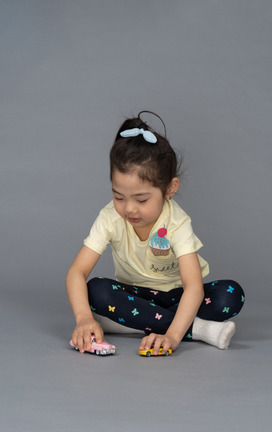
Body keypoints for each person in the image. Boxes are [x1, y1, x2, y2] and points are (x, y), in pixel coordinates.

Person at [65, 111, 245, 355]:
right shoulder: (110, 217)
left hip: (178, 297)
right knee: (96, 290)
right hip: (135, 295)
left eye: (141, 199)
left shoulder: (177, 222)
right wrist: (84, 318)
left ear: (169, 188)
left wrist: (172, 336)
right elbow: (77, 272)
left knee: (230, 295)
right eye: (119, 196)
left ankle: (128, 323)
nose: (129, 208)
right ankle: (200, 330)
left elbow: (193, 287)